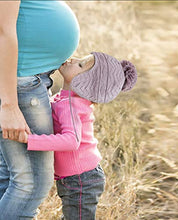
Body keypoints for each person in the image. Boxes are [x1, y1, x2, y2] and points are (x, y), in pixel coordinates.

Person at [21, 52, 137, 220]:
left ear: (86, 82)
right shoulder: (65, 98)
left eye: (81, 65)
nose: (74, 59)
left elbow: (71, 141)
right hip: (79, 177)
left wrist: (29, 140)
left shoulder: (71, 105)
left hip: (82, 180)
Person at [0, 1, 80, 219]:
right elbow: (2, 30)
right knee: (31, 184)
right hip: (18, 81)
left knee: (10, 178)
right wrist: (8, 105)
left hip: (24, 78)